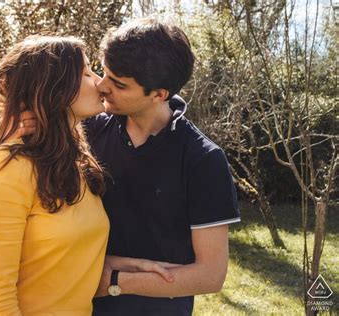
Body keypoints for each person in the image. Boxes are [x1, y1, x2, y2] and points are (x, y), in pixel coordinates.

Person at [16, 18, 241, 316]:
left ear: (159, 94)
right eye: (104, 72)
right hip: (72, 306)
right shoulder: (85, 130)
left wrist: (115, 281)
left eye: (119, 84)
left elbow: (211, 275)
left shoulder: (203, 160)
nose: (101, 85)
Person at [0, 35, 174, 316]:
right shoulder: (8, 165)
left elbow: (56, 257)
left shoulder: (73, 159)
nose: (99, 82)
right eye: (87, 72)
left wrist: (124, 265)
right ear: (56, 88)